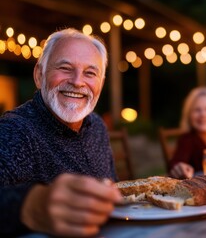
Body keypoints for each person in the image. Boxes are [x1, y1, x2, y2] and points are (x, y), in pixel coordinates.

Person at [0, 28, 123, 237]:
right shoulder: (15, 130)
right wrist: (31, 205)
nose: (77, 81)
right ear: (39, 75)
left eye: (90, 73)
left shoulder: (98, 126)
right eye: (65, 68)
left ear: (100, 84)